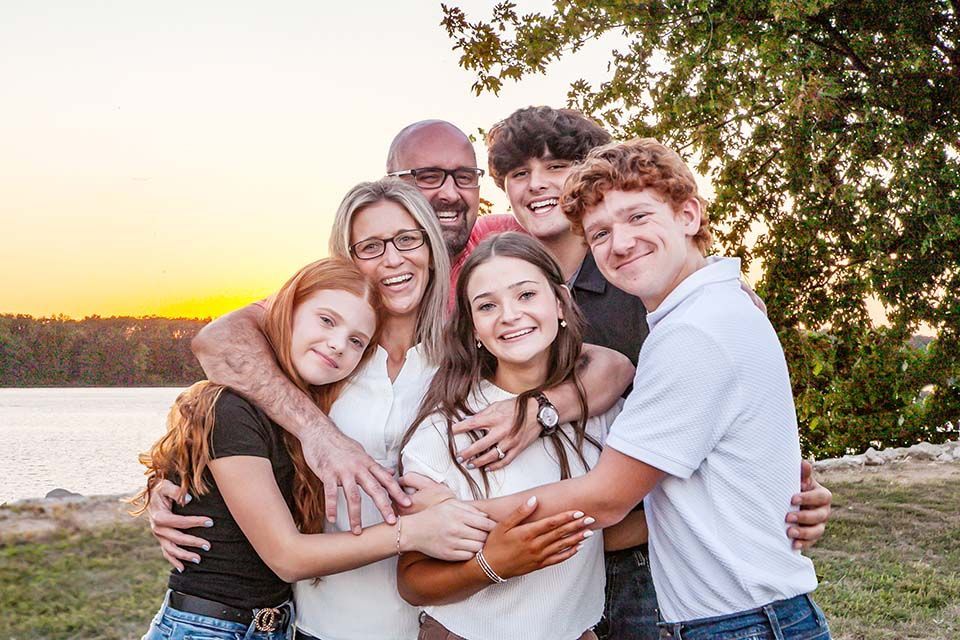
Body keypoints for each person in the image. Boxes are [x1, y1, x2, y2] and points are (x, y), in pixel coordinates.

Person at [413, 138, 832, 640]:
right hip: (739, 614)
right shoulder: (699, 316)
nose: (622, 242)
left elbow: (607, 499)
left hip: (740, 621)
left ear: (689, 215)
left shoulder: (695, 330)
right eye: (601, 233)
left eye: (638, 217)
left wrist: (447, 518)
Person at [132, 258, 488, 640]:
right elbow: (287, 557)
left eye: (356, 341)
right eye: (326, 321)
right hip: (208, 628)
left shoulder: (302, 413)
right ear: (287, 312)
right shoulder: (232, 407)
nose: (337, 344)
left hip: (273, 625)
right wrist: (413, 532)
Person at [397, 233, 625, 640]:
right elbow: (413, 582)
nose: (509, 315)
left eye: (525, 295)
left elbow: (627, 514)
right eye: (487, 306)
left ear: (559, 303)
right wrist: (492, 562)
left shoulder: (603, 409)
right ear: (473, 330)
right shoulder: (448, 428)